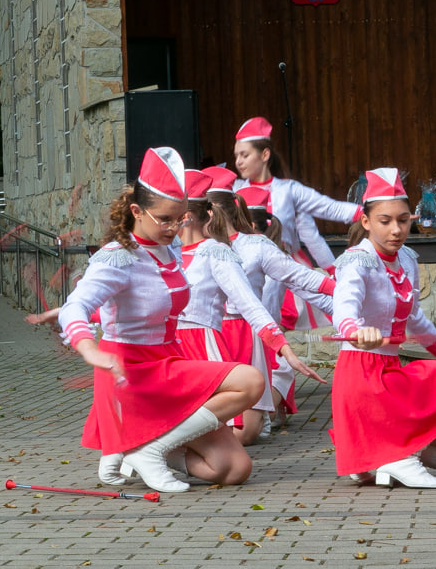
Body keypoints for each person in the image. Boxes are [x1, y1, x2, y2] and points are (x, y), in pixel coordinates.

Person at [56, 147, 265, 493]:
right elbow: (74, 306)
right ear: (136, 211)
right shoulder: (118, 258)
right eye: (165, 219)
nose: (174, 228)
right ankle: (151, 448)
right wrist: (89, 348)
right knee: (250, 380)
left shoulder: (167, 250)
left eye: (180, 218)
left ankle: (147, 449)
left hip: (168, 362)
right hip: (132, 373)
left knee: (234, 469)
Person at [330, 168, 436, 488]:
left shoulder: (406, 258)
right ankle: (388, 453)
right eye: (385, 221)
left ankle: (399, 453)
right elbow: (344, 307)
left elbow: (416, 320)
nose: (396, 229)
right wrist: (356, 330)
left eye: (403, 219)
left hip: (393, 374)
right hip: (363, 377)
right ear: (366, 222)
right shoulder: (357, 260)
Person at [175, 170, 321, 451]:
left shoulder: (237, 248)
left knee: (241, 435)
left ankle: (173, 443)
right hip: (188, 340)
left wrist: (336, 290)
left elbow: (291, 284)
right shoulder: (169, 251)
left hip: (243, 331)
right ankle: (162, 445)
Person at [232, 116, 361, 330]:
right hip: (248, 268)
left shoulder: (288, 190)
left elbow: (328, 209)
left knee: (270, 327)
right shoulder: (234, 190)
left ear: (265, 154)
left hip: (283, 269)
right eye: (236, 156)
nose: (238, 162)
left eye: (244, 155)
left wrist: (376, 212)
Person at [236, 186, 333, 426]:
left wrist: (351, 309)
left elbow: (313, 292)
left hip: (271, 349)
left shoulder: (276, 257)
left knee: (255, 419)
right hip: (238, 341)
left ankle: (268, 411)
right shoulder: (228, 254)